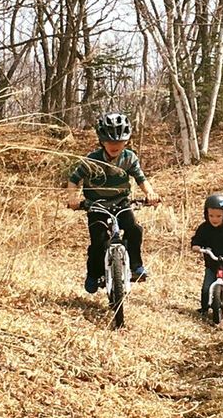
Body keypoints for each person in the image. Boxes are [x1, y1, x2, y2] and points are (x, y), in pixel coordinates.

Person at [67, 112, 160, 293]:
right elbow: (74, 179)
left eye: (119, 141)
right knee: (98, 241)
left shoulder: (129, 158)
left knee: (134, 229)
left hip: (121, 203)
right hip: (96, 205)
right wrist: (73, 198)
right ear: (102, 141)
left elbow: (141, 179)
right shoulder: (93, 159)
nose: (114, 146)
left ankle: (135, 265)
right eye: (110, 142)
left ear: (126, 141)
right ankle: (93, 273)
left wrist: (150, 193)